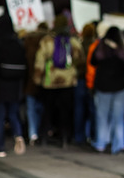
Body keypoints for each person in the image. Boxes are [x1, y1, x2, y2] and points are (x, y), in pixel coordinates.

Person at [33, 14, 85, 148]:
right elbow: (81, 60)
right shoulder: (73, 41)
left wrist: (37, 79)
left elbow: (39, 62)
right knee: (65, 111)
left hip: (50, 81)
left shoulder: (47, 41)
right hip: (68, 81)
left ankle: (43, 137)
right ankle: (65, 138)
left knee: (48, 110)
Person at [91, 26, 124, 155]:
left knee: (102, 117)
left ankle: (101, 144)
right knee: (118, 118)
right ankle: (118, 145)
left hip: (103, 86)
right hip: (119, 86)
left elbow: (93, 61)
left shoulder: (101, 46)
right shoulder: (122, 48)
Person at [0, 14, 27, 157]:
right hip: (15, 85)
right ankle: (18, 135)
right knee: (13, 113)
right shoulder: (18, 43)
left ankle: (0, 147)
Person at [22, 21, 49, 145]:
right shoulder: (48, 42)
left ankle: (33, 133)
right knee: (41, 108)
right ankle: (39, 131)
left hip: (29, 80)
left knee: (31, 109)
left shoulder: (28, 41)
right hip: (45, 80)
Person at [74, 22, 97, 145]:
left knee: (79, 109)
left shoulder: (79, 45)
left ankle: (79, 136)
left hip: (80, 79)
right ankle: (93, 135)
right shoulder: (96, 46)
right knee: (92, 109)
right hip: (91, 81)